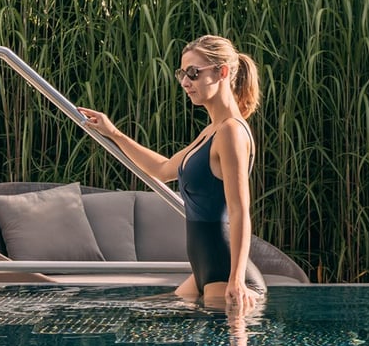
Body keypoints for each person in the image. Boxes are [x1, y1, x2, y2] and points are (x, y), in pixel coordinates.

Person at [80, 35, 261, 313]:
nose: (185, 82)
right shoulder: (212, 131)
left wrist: (236, 280)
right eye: (182, 74)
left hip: (225, 274)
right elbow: (163, 170)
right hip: (205, 270)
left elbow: (239, 210)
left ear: (222, 72)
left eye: (193, 73)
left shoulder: (231, 132)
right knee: (140, 313)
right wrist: (113, 133)